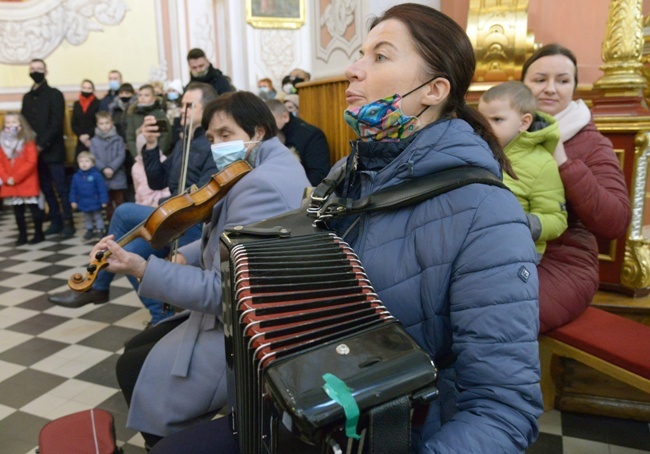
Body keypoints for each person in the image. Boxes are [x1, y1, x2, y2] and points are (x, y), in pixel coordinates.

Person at [151, 4, 542, 453]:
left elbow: (504, 408)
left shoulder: (487, 214)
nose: (352, 70)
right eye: (359, 54)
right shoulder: (345, 175)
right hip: (304, 415)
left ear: (434, 89)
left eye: (380, 57)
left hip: (403, 437)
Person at [80, 91, 309, 450]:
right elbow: (226, 238)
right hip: (236, 317)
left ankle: (167, 442)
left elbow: (227, 293)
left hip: (246, 335)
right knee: (137, 349)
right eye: (212, 137)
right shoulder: (267, 165)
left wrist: (143, 269)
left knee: (135, 368)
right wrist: (185, 256)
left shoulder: (260, 186)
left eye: (226, 134)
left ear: (259, 131)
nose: (218, 145)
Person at [48, 82, 220, 326]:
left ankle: (98, 287)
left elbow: (203, 199)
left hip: (191, 226)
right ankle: (161, 315)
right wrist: (151, 145)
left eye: (189, 106)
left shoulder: (213, 146)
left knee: (124, 210)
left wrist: (167, 203)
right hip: (172, 218)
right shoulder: (185, 141)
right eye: (181, 106)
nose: (183, 111)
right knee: (124, 258)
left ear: (208, 109)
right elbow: (157, 178)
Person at [521, 44, 631, 333]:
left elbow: (615, 221)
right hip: (505, 250)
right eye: (540, 79)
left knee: (502, 315)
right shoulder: (504, 128)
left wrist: (564, 162)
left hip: (564, 262)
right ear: (522, 85)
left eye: (562, 80)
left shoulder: (592, 144)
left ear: (574, 87)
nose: (550, 89)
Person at [478, 81, 567, 261]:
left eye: (497, 120)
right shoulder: (476, 149)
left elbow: (557, 219)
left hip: (518, 248)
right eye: (481, 119)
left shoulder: (542, 163)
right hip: (479, 240)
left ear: (524, 122)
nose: (485, 127)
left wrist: (521, 223)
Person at [21, 58, 75, 238]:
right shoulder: (27, 97)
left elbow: (56, 122)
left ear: (46, 71)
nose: (36, 71)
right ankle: (56, 221)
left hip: (52, 150)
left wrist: (41, 144)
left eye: (39, 68)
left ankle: (69, 223)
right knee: (46, 189)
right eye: (33, 68)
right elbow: (24, 124)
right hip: (34, 153)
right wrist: (30, 147)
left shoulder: (54, 94)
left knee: (60, 188)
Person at [0, 112, 45, 245]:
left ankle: (38, 233)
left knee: (33, 209)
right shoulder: (1, 140)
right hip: (10, 181)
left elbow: (31, 162)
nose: (10, 125)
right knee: (18, 212)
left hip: (26, 179)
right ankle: (22, 235)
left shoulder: (28, 140)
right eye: (7, 123)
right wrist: (6, 177)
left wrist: (16, 177)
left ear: (20, 123)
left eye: (14, 122)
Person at [266, 98, 331, 186]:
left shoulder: (311, 135)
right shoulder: (270, 134)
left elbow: (319, 175)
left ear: (285, 117)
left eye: (270, 122)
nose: (266, 126)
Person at [90, 111, 127, 221]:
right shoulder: (94, 141)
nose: (104, 126)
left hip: (117, 175)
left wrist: (112, 168)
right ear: (97, 125)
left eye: (107, 123)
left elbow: (121, 155)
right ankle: (111, 224)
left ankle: (124, 223)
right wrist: (104, 169)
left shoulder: (118, 139)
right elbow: (94, 157)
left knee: (120, 201)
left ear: (112, 123)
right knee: (107, 203)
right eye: (101, 123)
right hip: (102, 176)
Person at [69, 152, 109, 240]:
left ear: (93, 163)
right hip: (83, 201)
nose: (84, 164)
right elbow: (73, 190)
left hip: (95, 201)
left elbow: (102, 189)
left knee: (98, 216)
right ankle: (89, 230)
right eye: (81, 161)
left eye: (87, 161)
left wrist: (103, 201)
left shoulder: (96, 175)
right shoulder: (76, 176)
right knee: (87, 217)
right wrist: (73, 200)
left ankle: (100, 230)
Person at [126, 84, 171, 158]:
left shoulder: (159, 114)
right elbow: (130, 137)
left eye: (146, 95)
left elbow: (165, 137)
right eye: (140, 95)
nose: (142, 98)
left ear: (153, 98)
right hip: (138, 157)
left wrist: (157, 154)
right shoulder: (133, 114)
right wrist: (136, 155)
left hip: (157, 156)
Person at [71, 79, 101, 156]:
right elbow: (74, 124)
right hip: (80, 140)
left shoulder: (98, 103)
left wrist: (88, 135)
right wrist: (81, 136)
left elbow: (99, 123)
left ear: (93, 90)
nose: (86, 90)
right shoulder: (77, 104)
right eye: (84, 88)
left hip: (94, 139)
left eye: (89, 88)